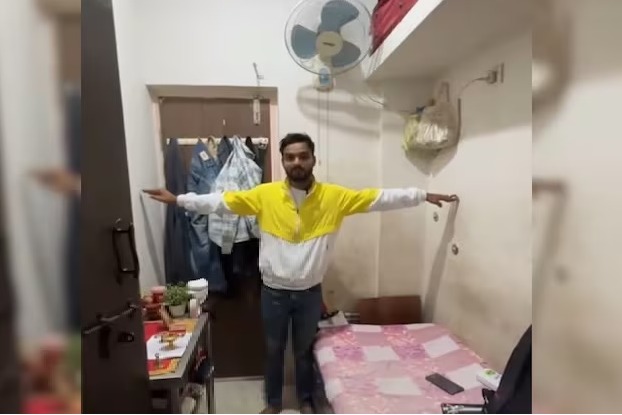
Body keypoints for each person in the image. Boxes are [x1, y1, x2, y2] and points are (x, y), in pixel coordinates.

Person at [144, 133, 458, 414]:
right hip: (273, 293)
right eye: (290, 157)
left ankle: (306, 400)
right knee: (273, 350)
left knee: (305, 351)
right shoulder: (265, 195)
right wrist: (179, 199)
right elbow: (221, 202)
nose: (296, 162)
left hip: (309, 294)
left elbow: (378, 198)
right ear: (282, 161)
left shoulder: (335, 197)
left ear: (313, 159)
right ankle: (274, 402)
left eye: (303, 156)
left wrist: (421, 195)